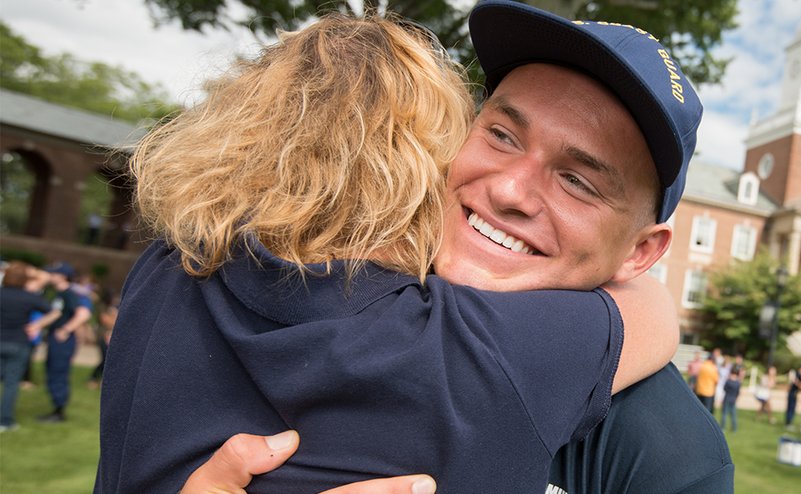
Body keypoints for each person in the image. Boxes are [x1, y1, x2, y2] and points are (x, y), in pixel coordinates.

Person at [97, 7, 704, 493]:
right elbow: (648, 316)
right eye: (499, 134)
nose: (510, 190)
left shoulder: (169, 264)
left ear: (641, 252)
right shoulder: (476, 355)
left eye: (580, 180)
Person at [0, 262, 57, 432]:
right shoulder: (29, 297)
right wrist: (37, 325)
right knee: (11, 383)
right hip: (18, 343)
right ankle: (5, 421)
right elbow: (55, 312)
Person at [38, 262, 91, 423]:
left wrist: (66, 329)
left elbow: (83, 314)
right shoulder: (60, 293)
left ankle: (59, 411)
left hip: (63, 340)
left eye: (54, 274)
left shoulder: (70, 293)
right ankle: (56, 408)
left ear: (62, 276)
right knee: (53, 370)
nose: (51, 276)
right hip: (56, 338)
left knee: (58, 371)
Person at [720, 355, 744, 432]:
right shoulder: (738, 383)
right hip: (733, 399)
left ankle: (723, 427)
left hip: (727, 398)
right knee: (733, 415)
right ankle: (734, 428)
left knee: (724, 414)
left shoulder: (728, 381)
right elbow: (738, 392)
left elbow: (724, 389)